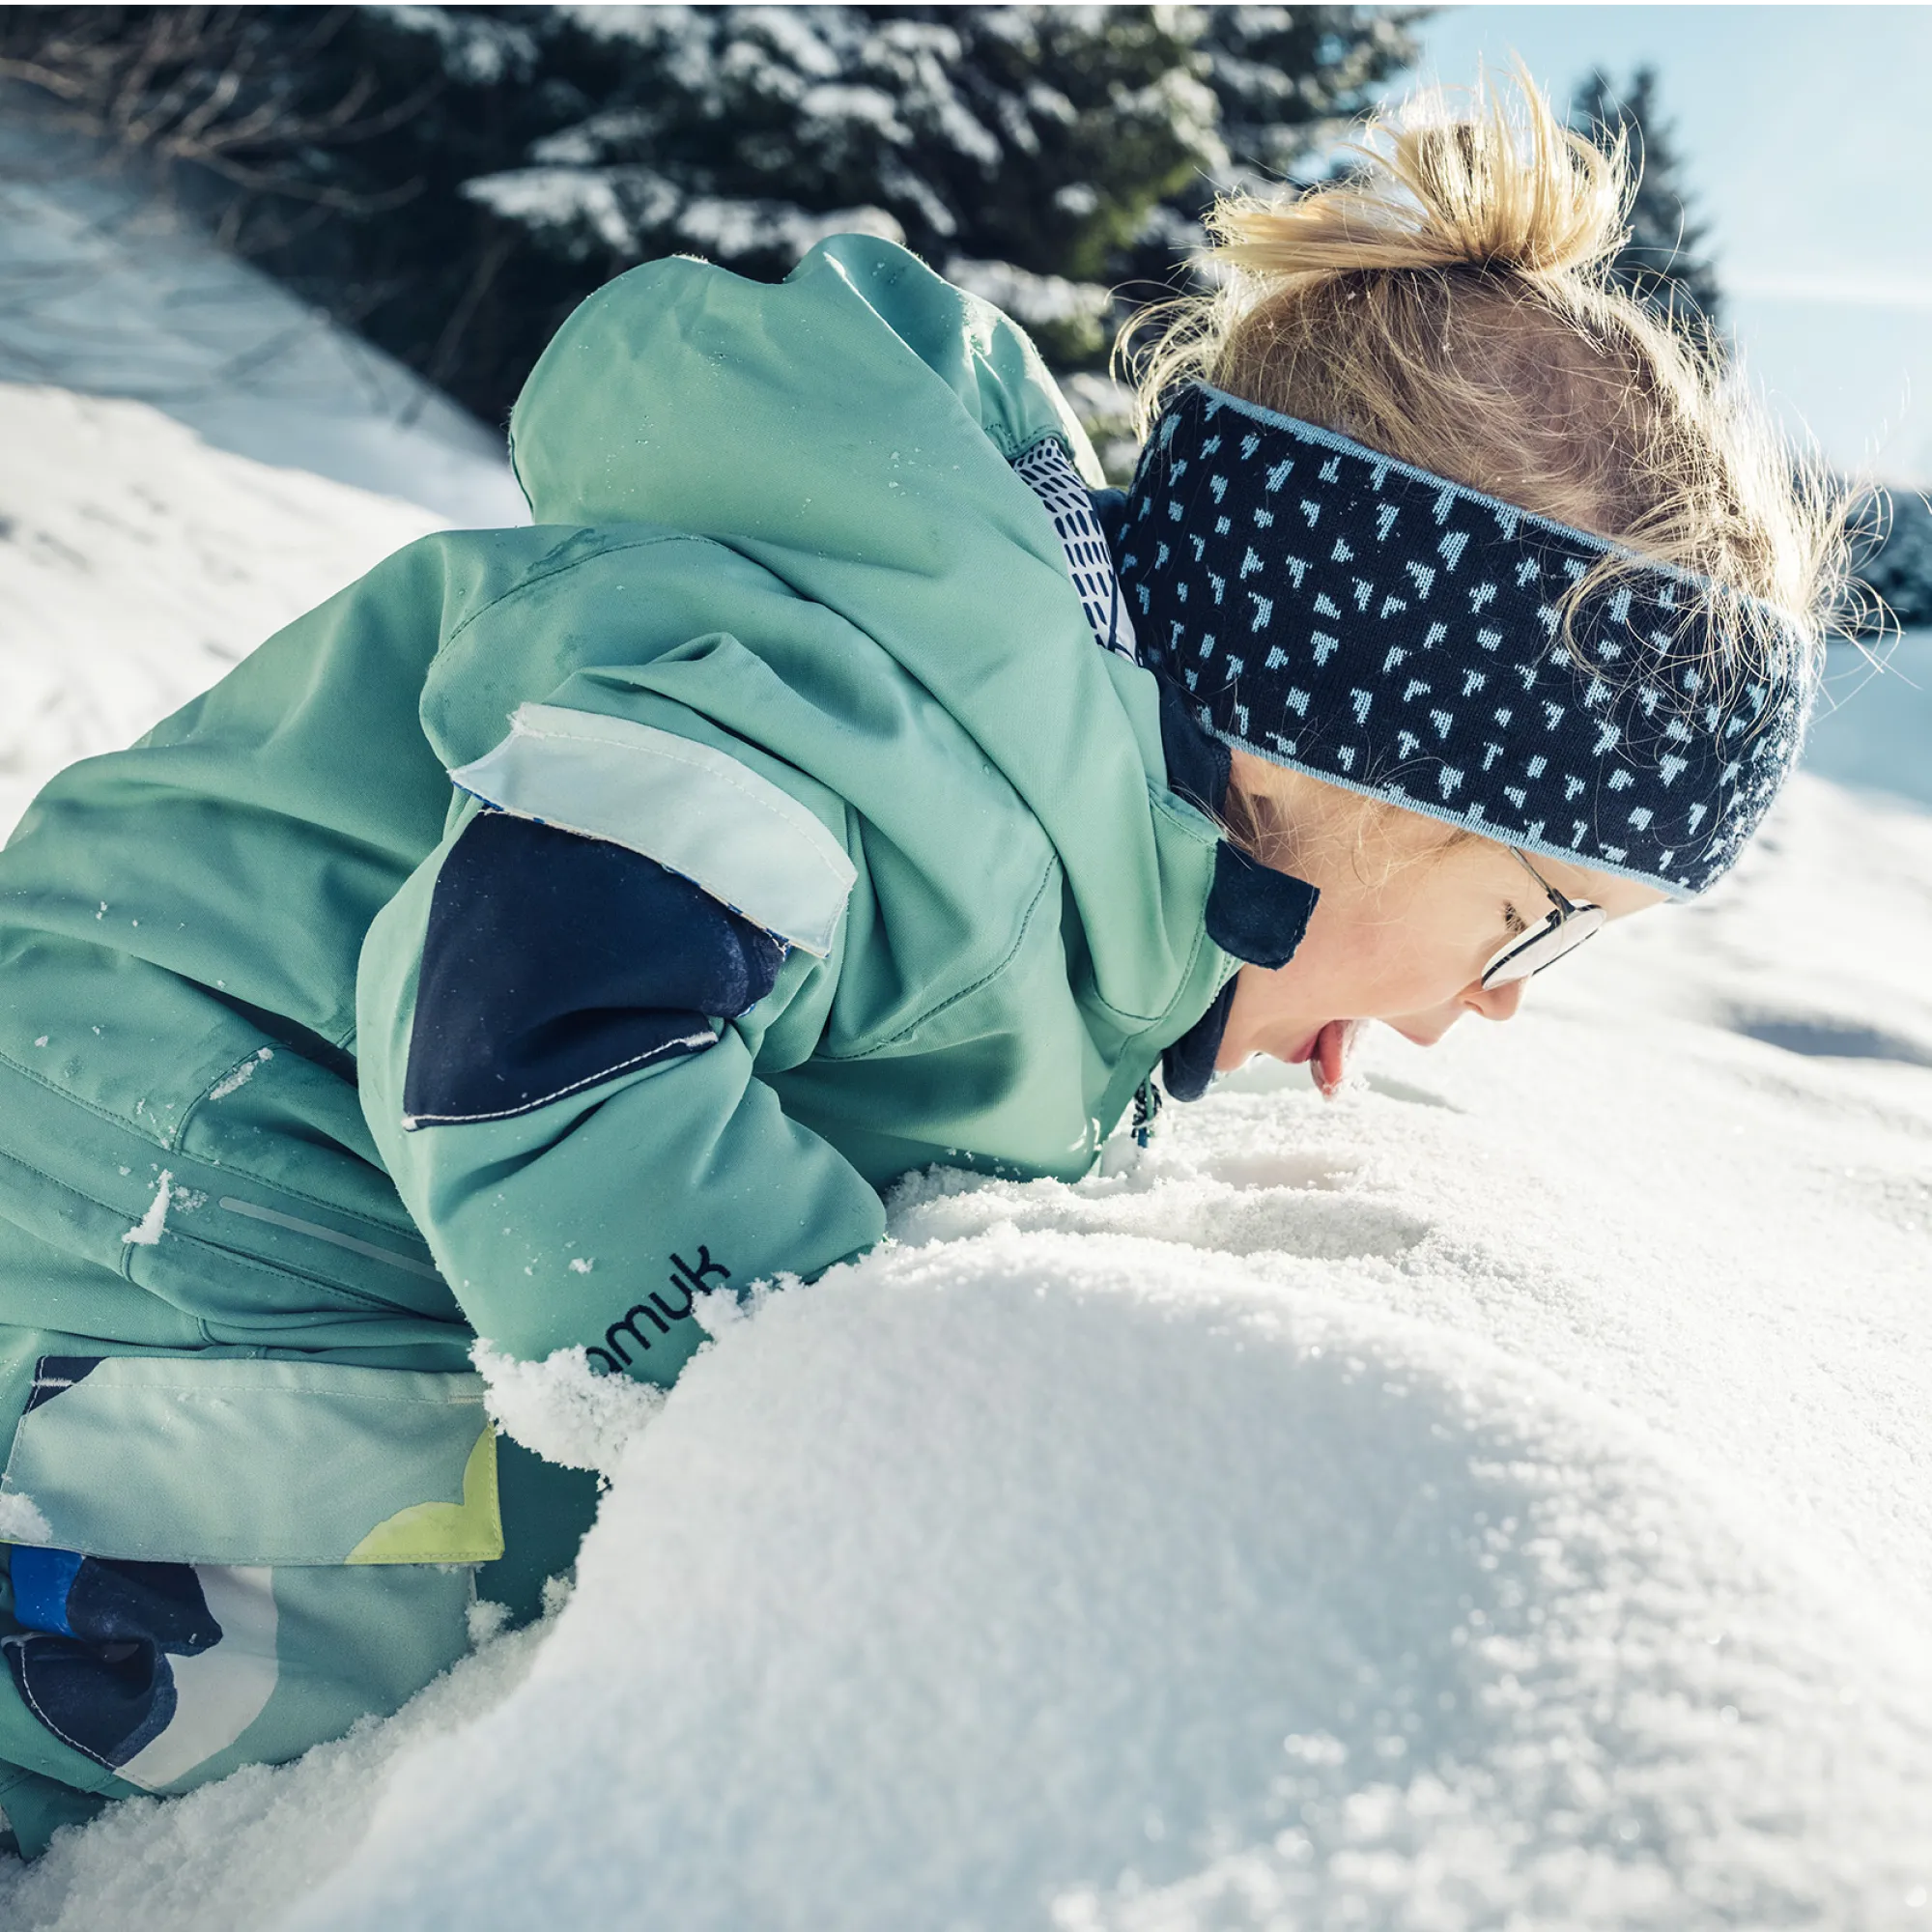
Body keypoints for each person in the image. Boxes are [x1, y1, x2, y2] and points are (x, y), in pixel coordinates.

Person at [0, 72, 1843, 1854]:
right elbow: (530, 1013)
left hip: (251, 1260)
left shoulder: (1060, 835)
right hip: (168, 1225)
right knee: (215, 1692)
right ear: (1335, 766)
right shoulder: (907, 751)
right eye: (1540, 917)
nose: (1511, 998)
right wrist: (837, 1421)